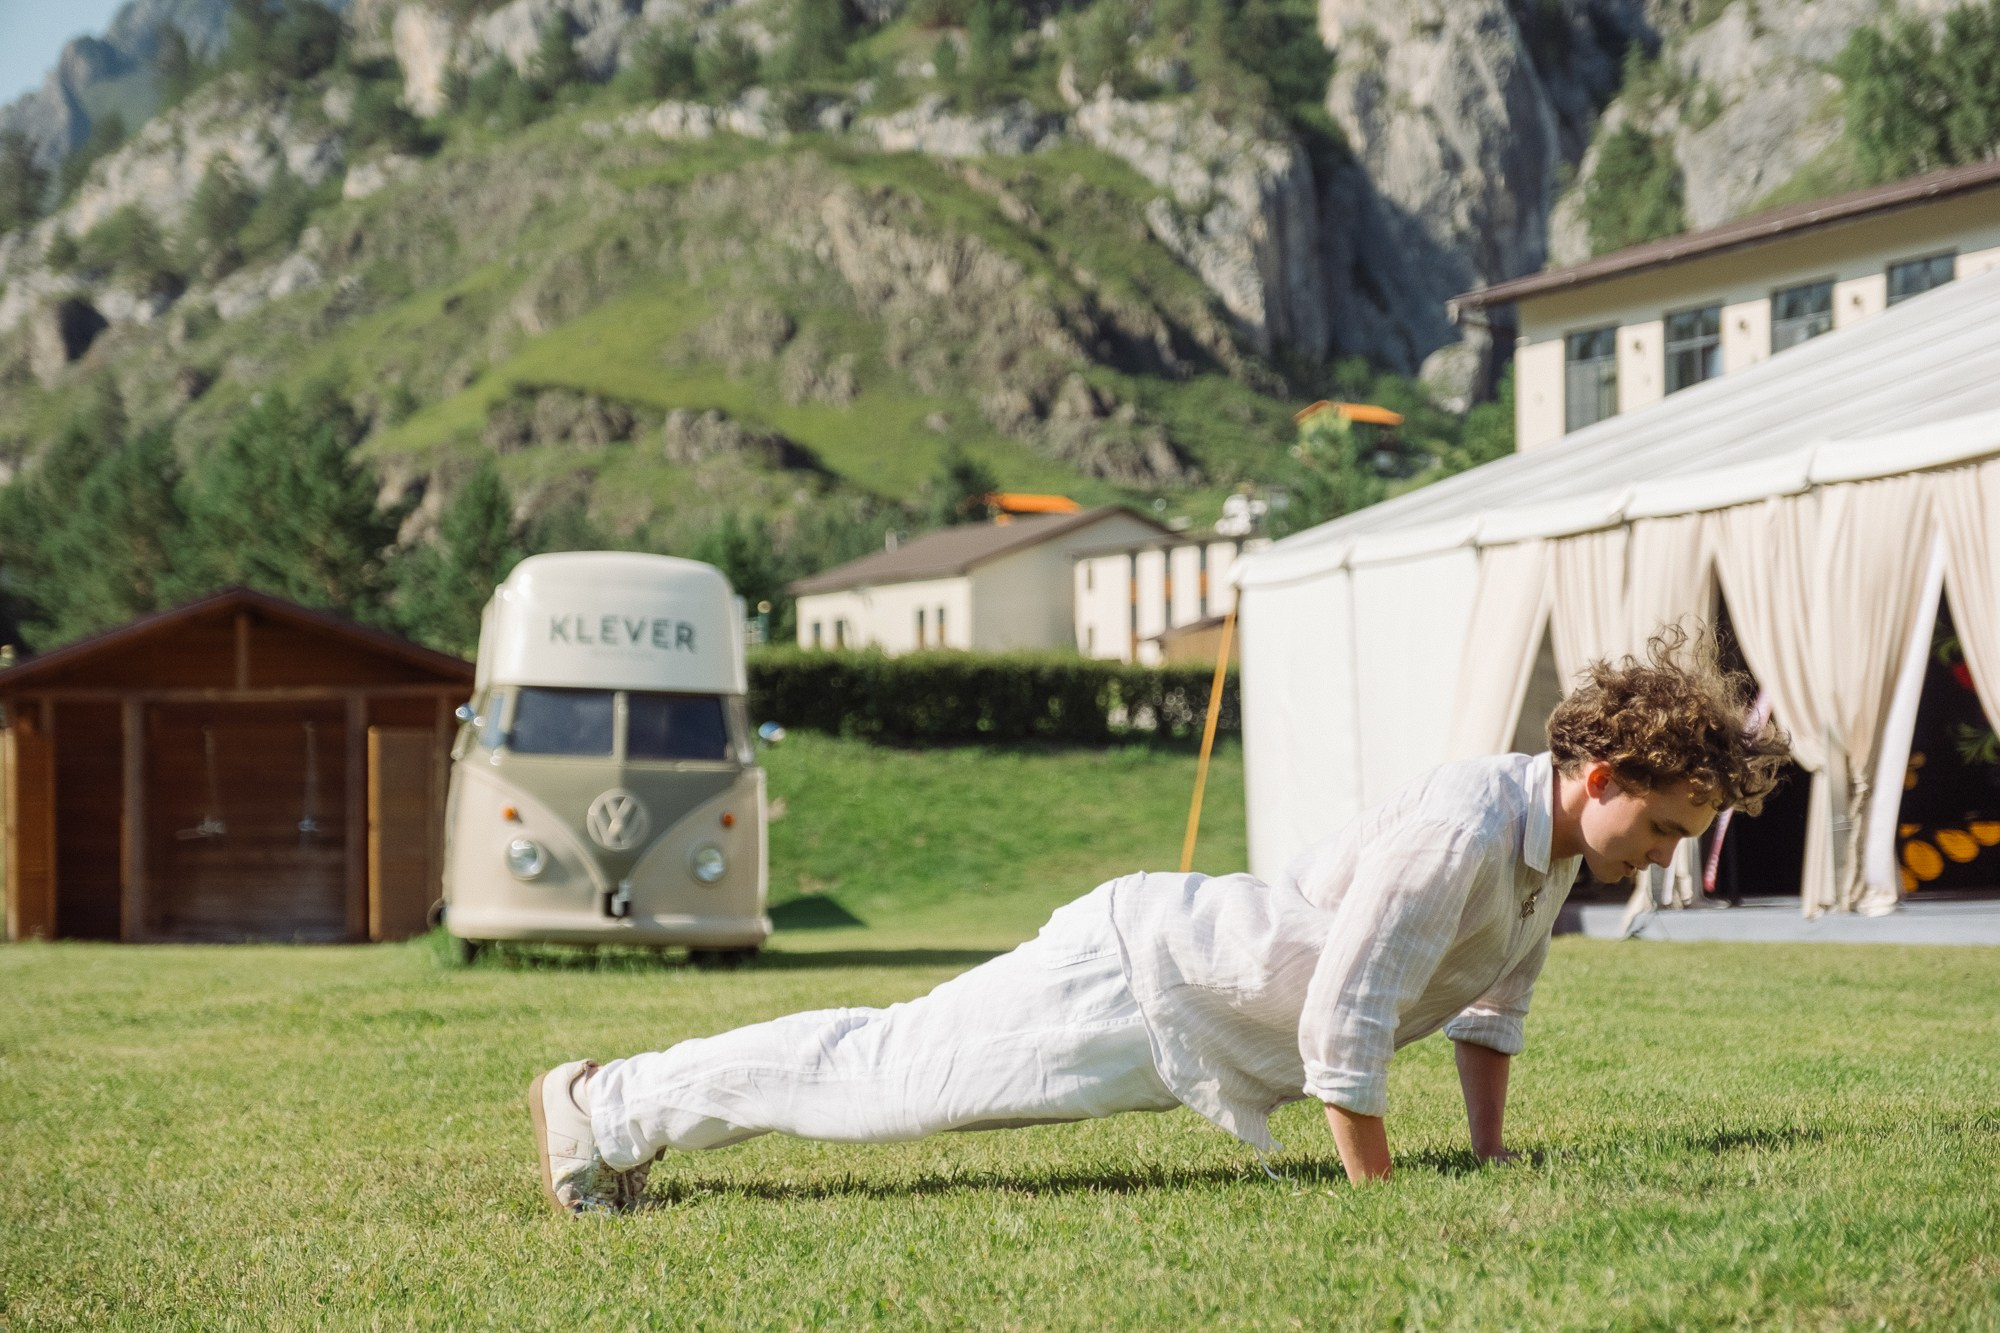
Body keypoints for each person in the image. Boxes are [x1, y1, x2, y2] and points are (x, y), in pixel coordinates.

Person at [528, 626, 1789, 1216]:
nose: (1665, 857)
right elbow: (1351, 1002)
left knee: (891, 1077)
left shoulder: (1548, 850)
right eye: (1667, 827)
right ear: (1604, 774)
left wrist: (1490, 1155)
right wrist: (1377, 1197)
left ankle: (623, 1112)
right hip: (1139, 979)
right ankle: (603, 1106)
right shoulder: (1468, 817)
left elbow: (1488, 1003)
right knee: (887, 1076)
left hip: (1180, 1007)